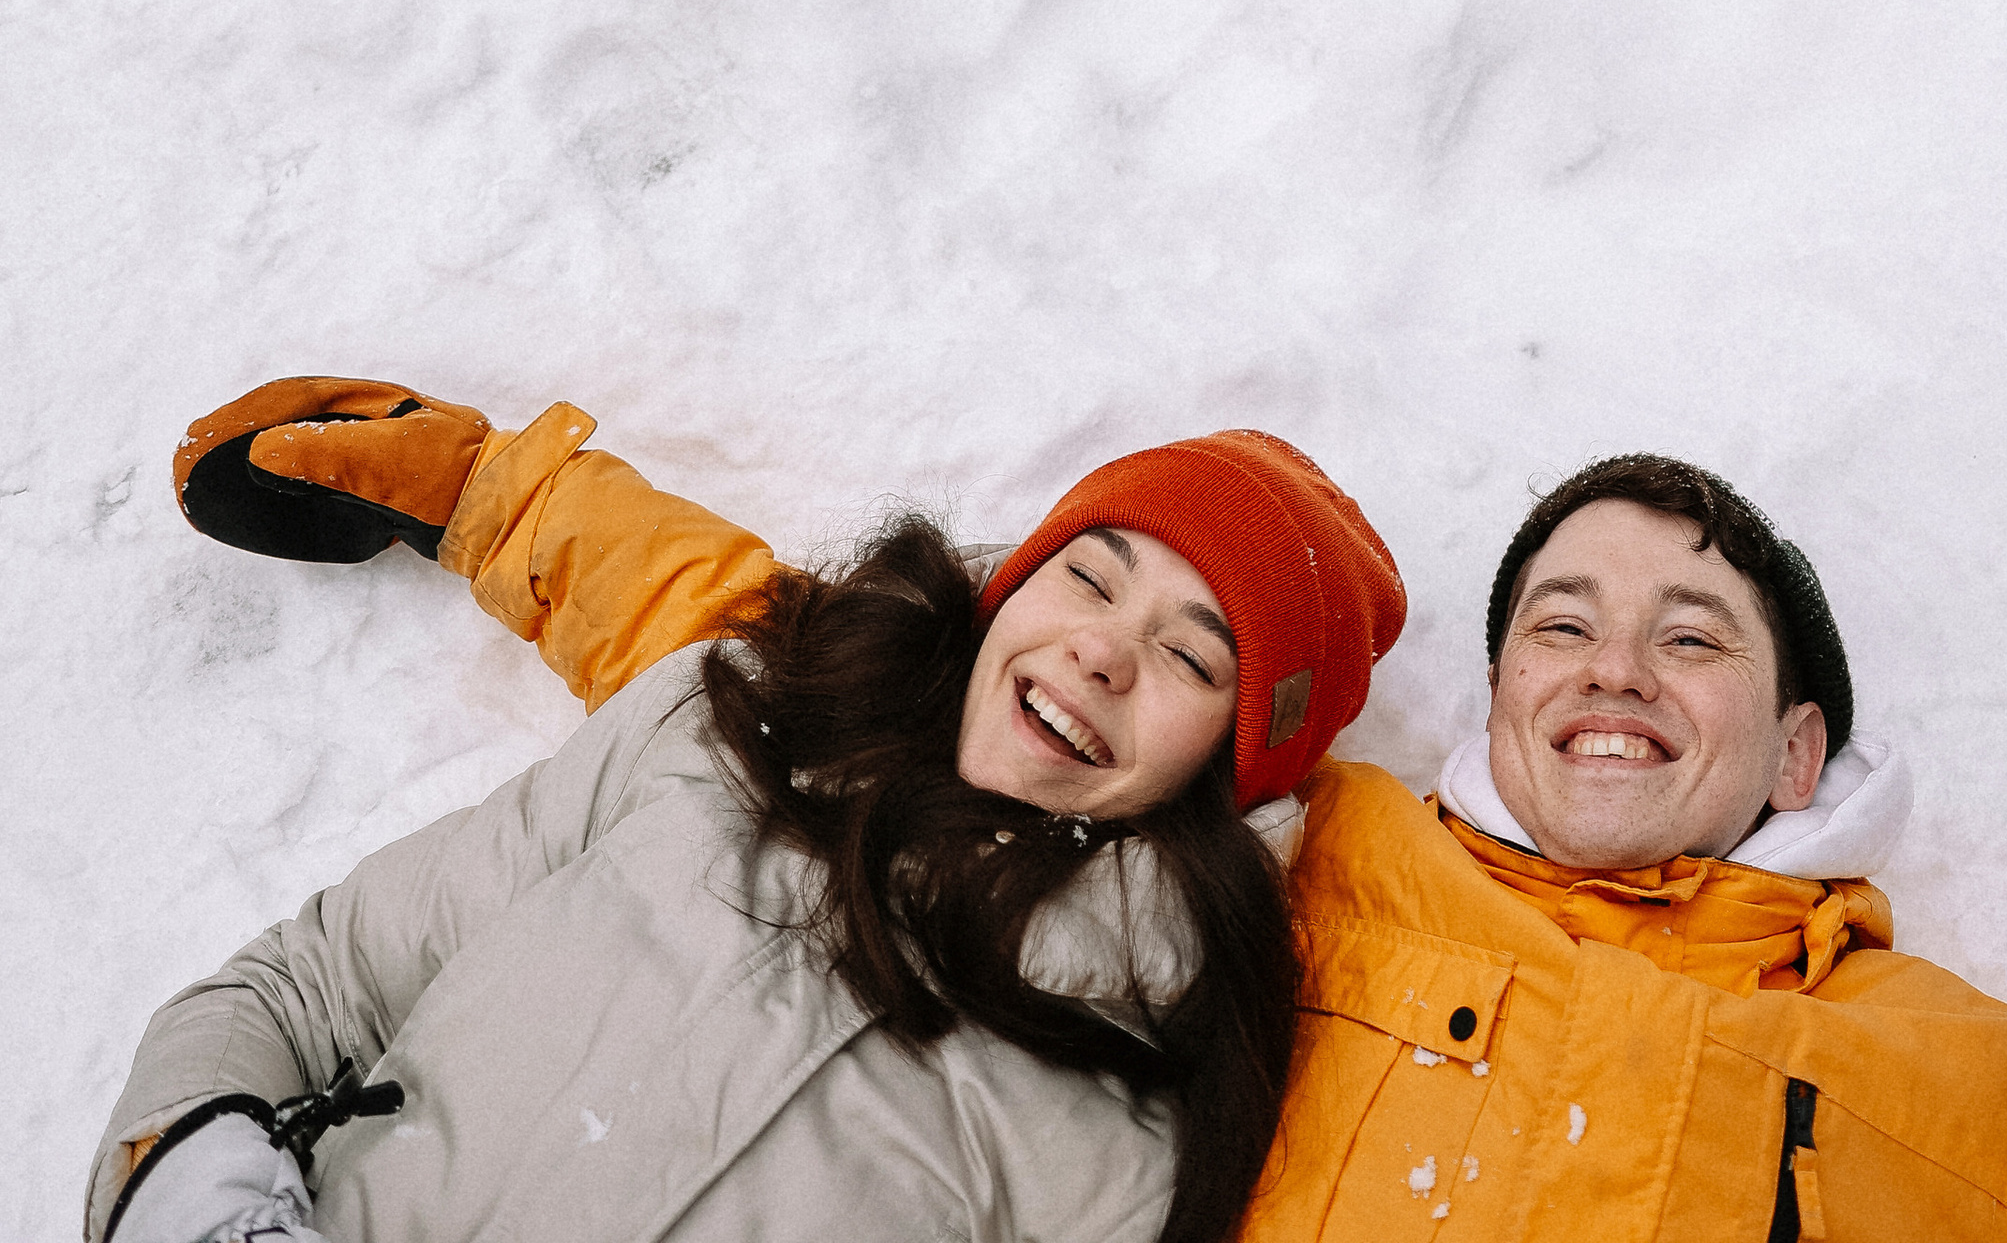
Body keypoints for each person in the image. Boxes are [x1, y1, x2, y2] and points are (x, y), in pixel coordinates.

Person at [135, 382, 2007, 1243]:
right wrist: (498, 496)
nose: (1614, 669)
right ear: (1495, 699)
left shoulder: (1960, 1075)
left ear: (1801, 749)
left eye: (1690, 636)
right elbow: (809, 676)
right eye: (1562, 621)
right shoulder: (1335, 878)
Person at [90, 385, 1403, 1243]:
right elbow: (303, 990)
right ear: (1008, 589)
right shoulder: (729, 726)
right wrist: (189, 1196)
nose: (1102, 653)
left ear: (1234, 770)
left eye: (1191, 657)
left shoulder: (1135, 1115)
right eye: (1089, 579)